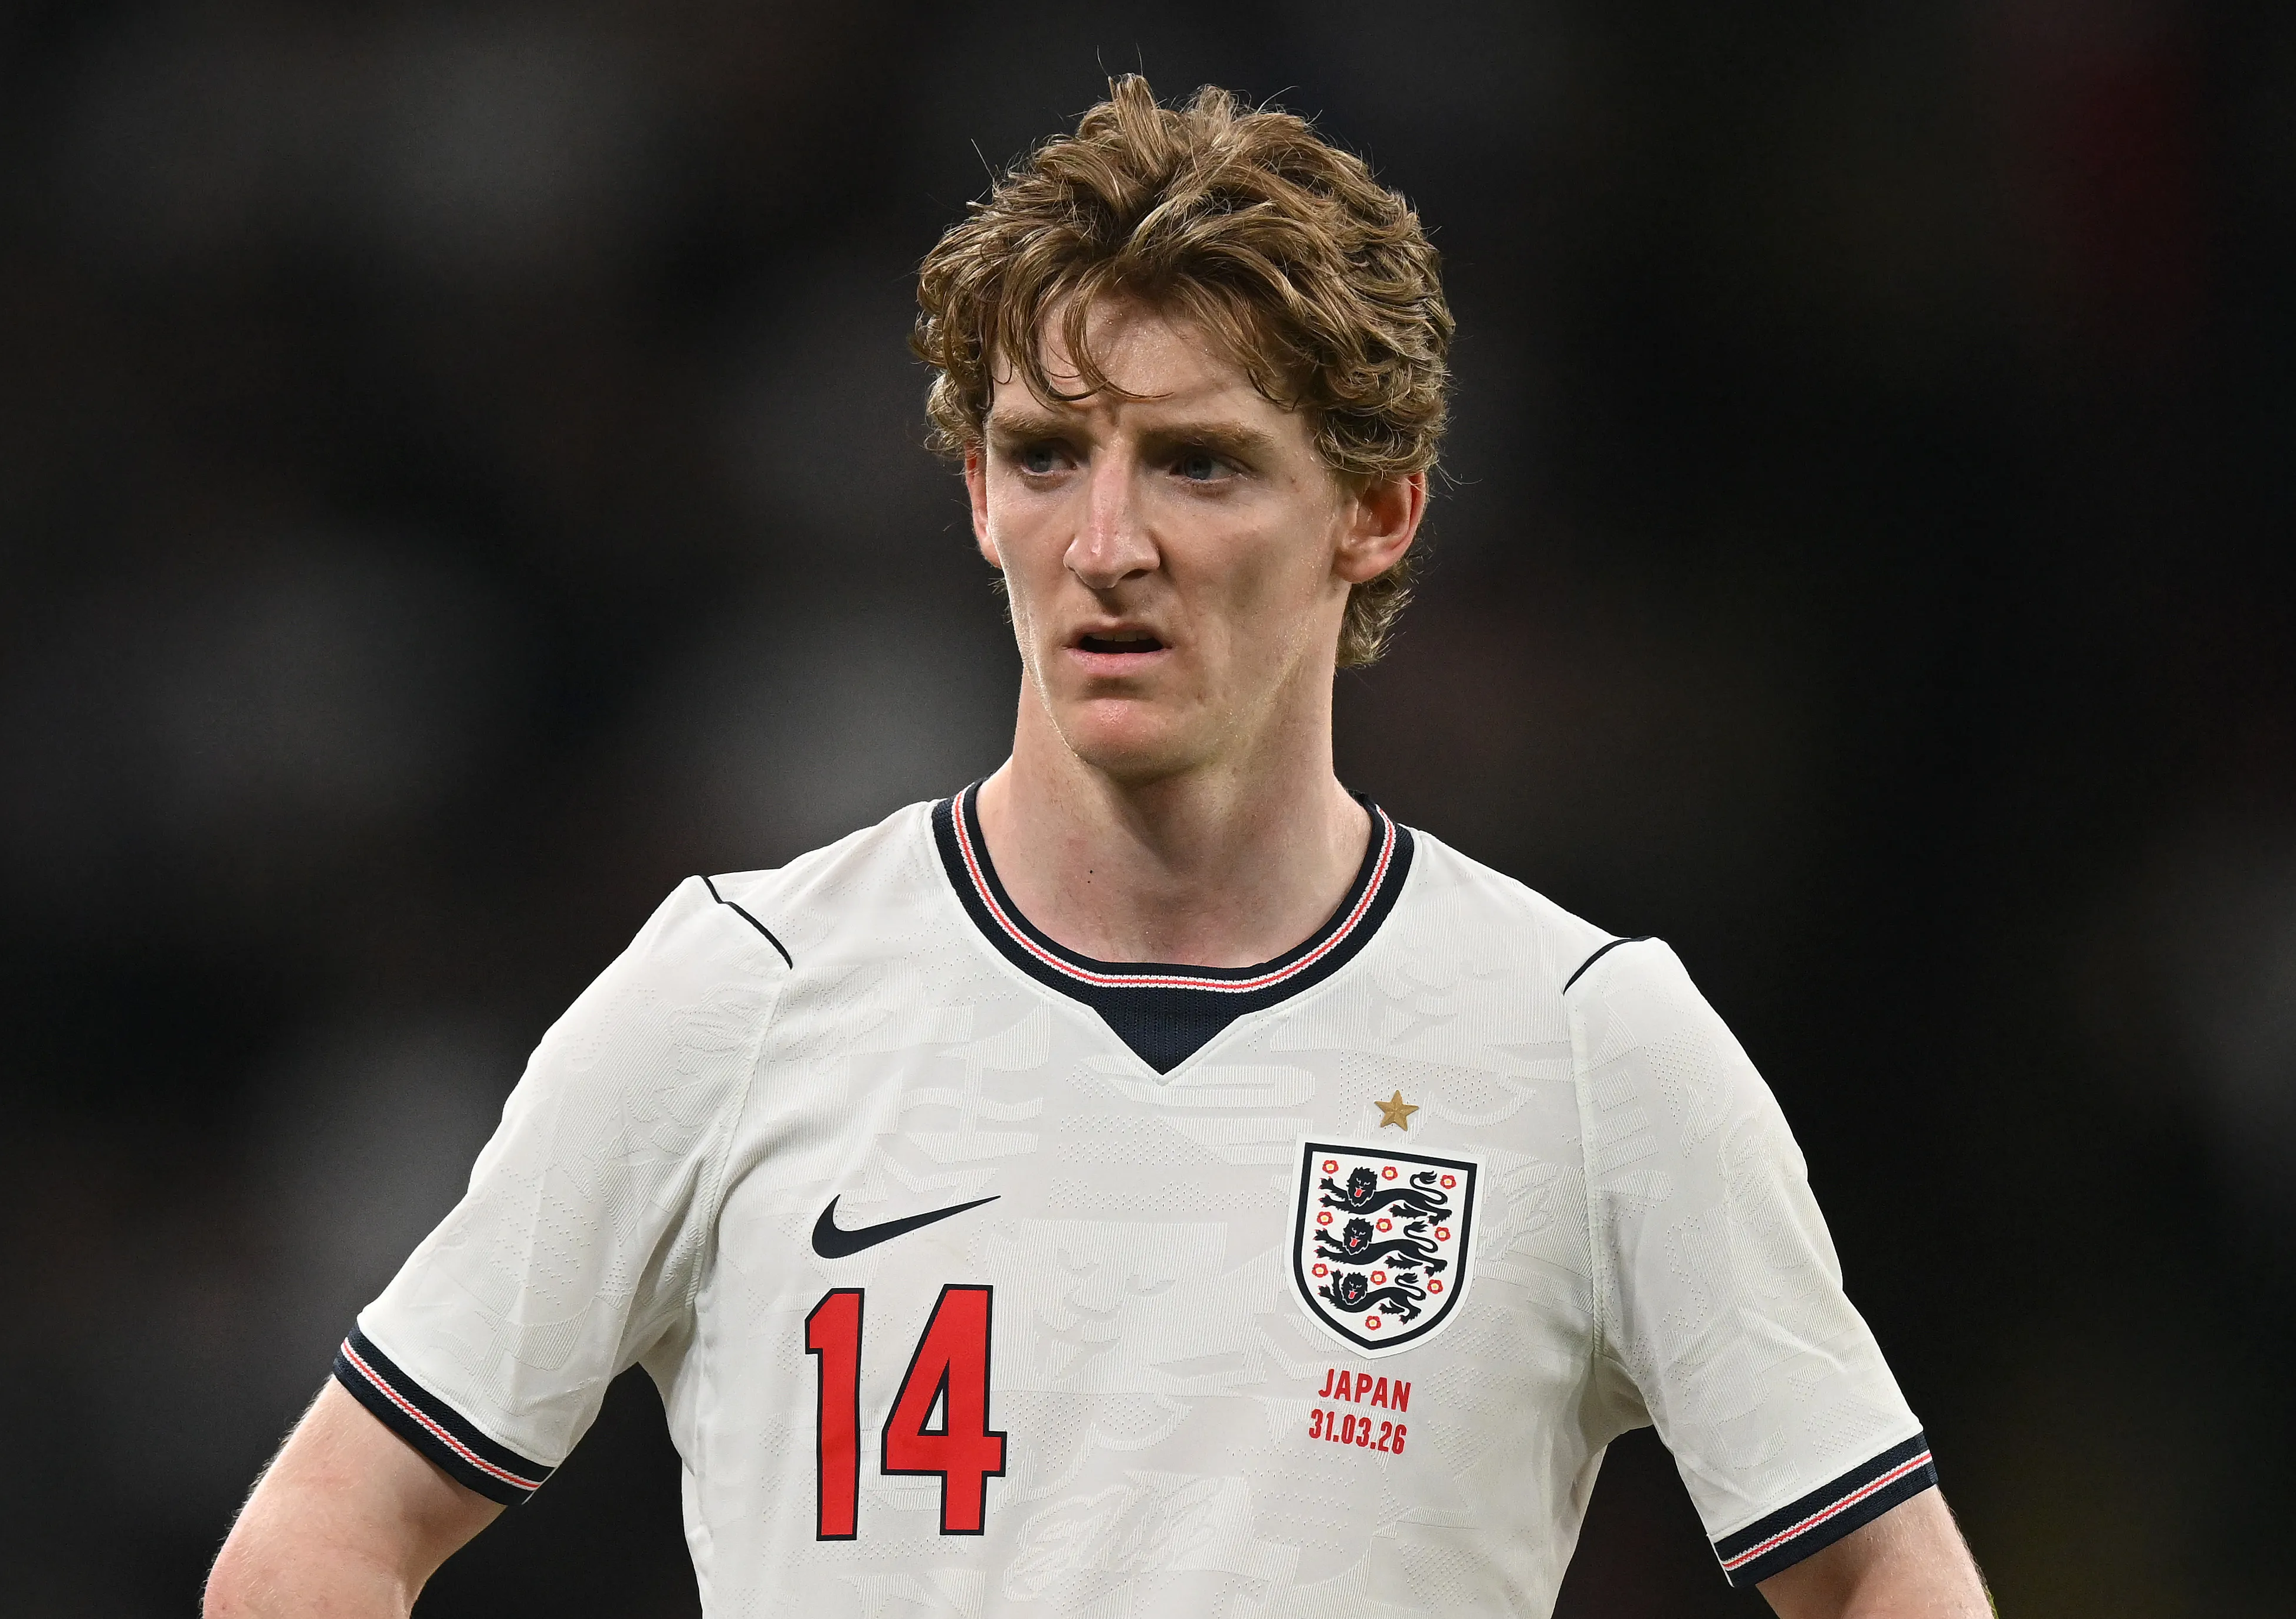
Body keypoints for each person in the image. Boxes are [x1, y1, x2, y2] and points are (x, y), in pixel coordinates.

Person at [206, 77, 1993, 1618]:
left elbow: (1882, 1572)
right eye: (1047, 454)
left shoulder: (1582, 1043)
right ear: (977, 494)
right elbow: (316, 1543)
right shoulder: (739, 997)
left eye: (1200, 465)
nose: (1107, 539)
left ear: (1374, 512)